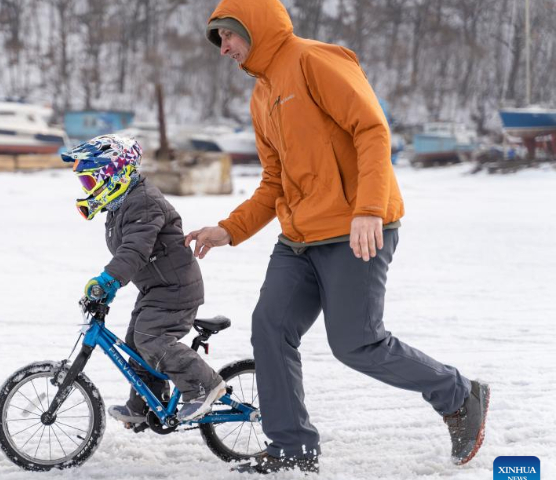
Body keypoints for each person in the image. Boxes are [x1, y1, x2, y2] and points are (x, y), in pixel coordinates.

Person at [184, 0, 490, 474]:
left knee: (356, 343)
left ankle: (458, 394)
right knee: (270, 327)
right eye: (218, 41)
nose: (223, 48)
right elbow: (274, 181)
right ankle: (292, 448)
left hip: (356, 231)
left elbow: (371, 130)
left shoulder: (313, 60)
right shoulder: (262, 96)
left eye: (227, 35)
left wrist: (368, 209)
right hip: (298, 240)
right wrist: (230, 228)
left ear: (253, 26)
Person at [62, 134, 226, 424]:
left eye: (90, 181)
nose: (88, 189)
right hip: (157, 289)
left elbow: (134, 250)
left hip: (176, 289)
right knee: (135, 343)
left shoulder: (144, 203)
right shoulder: (121, 205)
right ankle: (147, 404)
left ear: (115, 175)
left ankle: (204, 386)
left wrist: (108, 280)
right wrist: (108, 289)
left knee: (152, 338)